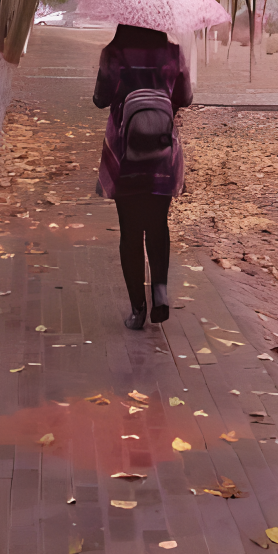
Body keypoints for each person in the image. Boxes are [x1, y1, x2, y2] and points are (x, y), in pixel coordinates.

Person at [93, 24, 193, 328]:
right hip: (163, 154)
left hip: (125, 155)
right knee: (158, 224)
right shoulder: (173, 53)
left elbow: (99, 98)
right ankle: (160, 292)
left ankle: (138, 310)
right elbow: (185, 98)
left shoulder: (113, 53)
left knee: (131, 231)